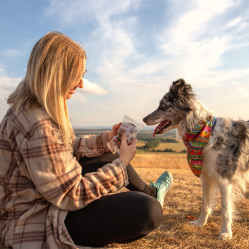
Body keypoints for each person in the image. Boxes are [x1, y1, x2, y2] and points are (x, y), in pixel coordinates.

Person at [0, 31, 173, 249]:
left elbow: (64, 149)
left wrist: (108, 138)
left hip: (42, 200)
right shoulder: (39, 124)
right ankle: (149, 198)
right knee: (148, 211)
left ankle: (151, 191)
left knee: (107, 155)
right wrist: (122, 164)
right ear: (56, 75)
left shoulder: (31, 109)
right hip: (36, 219)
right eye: (76, 75)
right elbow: (72, 195)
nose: (81, 84)